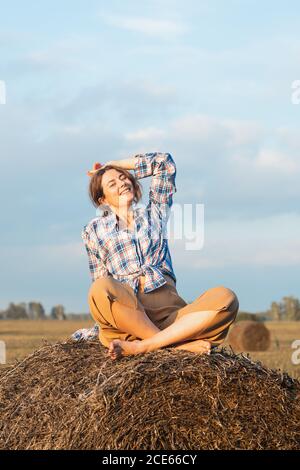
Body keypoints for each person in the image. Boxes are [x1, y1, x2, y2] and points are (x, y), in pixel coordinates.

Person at [82, 152, 239, 360]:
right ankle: (174, 346)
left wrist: (114, 164)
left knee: (227, 298)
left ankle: (147, 346)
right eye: (112, 184)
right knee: (100, 288)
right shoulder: (93, 230)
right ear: (102, 200)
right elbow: (101, 284)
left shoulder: (155, 213)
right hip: (130, 320)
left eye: (123, 178)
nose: (122, 183)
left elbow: (164, 163)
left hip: (170, 316)